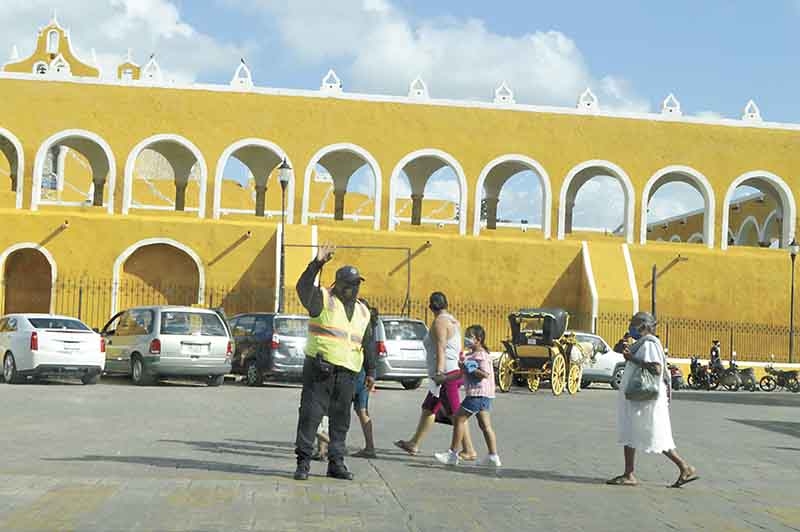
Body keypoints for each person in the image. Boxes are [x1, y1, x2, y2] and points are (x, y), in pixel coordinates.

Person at [293, 243, 376, 481]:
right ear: (339, 284)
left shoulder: (362, 311)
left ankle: (336, 463)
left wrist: (371, 370)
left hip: (348, 373)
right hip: (320, 370)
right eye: (350, 284)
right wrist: (317, 263)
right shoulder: (322, 299)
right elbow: (303, 287)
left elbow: (367, 340)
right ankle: (303, 463)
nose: (355, 288)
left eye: (357, 284)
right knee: (310, 416)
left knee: (341, 421)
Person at [607, 312, 698, 488]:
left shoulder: (649, 344)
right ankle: (629, 473)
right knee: (633, 430)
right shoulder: (641, 344)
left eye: (634, 324)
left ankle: (684, 467)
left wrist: (631, 358)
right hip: (638, 398)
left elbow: (656, 368)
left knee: (649, 431)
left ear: (643, 326)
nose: (631, 327)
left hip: (644, 399)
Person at [394, 292, 476, 460]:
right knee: (429, 408)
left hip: (446, 375)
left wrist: (439, 373)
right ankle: (414, 443)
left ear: (431, 306)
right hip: (449, 372)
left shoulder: (440, 322)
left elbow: (441, 348)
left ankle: (469, 450)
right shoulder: (452, 320)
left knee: (456, 414)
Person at [434, 325, 501, 467]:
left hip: (478, 394)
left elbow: (484, 374)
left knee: (458, 418)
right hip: (484, 395)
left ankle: (452, 454)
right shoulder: (471, 355)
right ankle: (493, 456)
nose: (466, 339)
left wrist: (470, 368)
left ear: (478, 339)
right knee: (485, 425)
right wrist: (444, 378)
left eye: (469, 336)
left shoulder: (481, 355)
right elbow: (460, 374)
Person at [351, 302, 379, 459]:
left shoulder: (360, 325)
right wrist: (372, 373)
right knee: (362, 410)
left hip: (354, 369)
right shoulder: (371, 326)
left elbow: (368, 350)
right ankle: (370, 447)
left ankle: (325, 446)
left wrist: (370, 373)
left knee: (333, 408)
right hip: (364, 372)